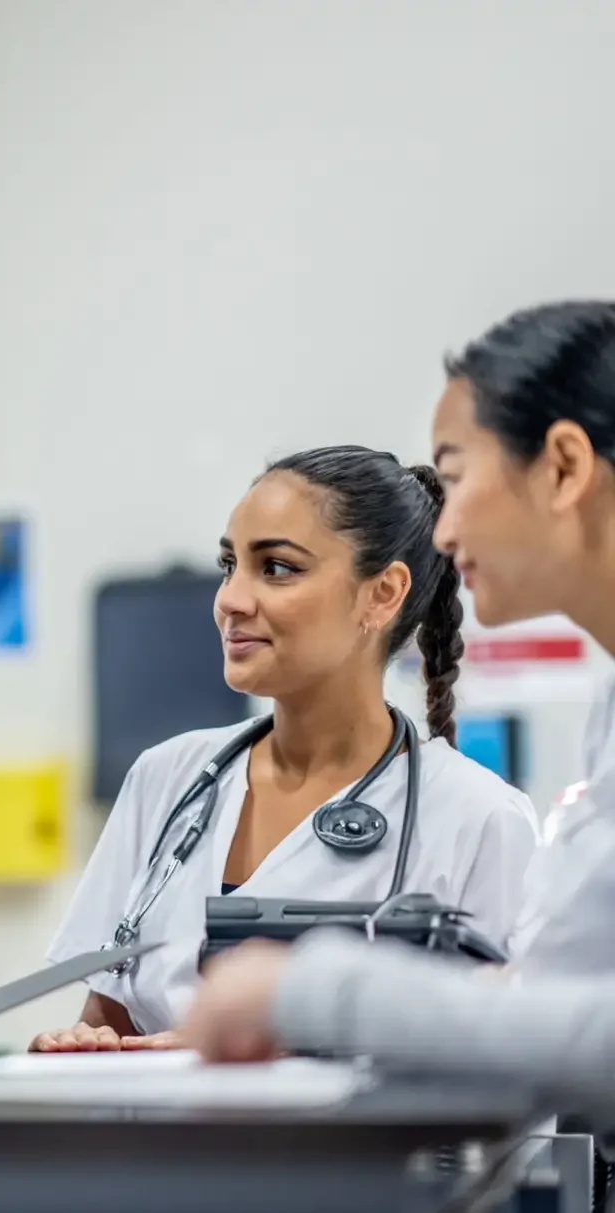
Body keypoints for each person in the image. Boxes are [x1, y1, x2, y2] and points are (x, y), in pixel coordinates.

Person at [184, 301, 615, 1076]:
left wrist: (316, 989)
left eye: (457, 476)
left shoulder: (481, 810)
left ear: (563, 467)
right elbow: (557, 992)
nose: (443, 532)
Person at [36, 445, 537, 1051]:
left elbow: (504, 1058)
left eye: (276, 568)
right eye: (229, 565)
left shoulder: (479, 818)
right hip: (159, 1120)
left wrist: (242, 1049)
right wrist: (79, 1050)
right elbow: (109, 1017)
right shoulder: (165, 778)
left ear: (381, 594)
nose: (230, 599)